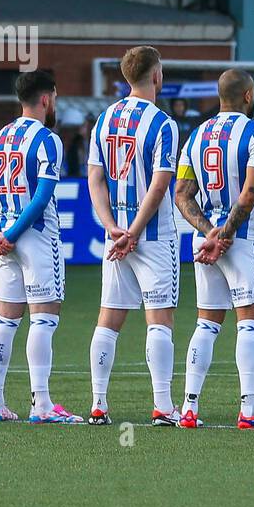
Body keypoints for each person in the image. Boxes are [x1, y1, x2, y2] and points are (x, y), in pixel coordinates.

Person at [173, 68, 254, 430]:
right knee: (249, 323)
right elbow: (250, 193)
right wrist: (226, 234)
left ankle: (188, 408)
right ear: (248, 96)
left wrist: (209, 233)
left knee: (206, 323)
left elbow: (182, 195)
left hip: (203, 240)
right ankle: (250, 409)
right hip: (240, 238)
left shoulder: (195, 136)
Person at [85, 46, 181, 426]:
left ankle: (98, 404)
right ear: (156, 75)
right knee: (159, 320)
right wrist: (136, 231)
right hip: (152, 235)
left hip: (116, 234)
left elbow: (95, 177)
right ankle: (162, 406)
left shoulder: (104, 119)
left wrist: (112, 227)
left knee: (109, 318)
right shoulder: (162, 123)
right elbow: (159, 186)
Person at [0, 69, 79, 423]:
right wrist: (13, 233)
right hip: (34, 237)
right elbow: (41, 197)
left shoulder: (1, 137)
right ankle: (42, 404)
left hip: (4, 238)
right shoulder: (48, 139)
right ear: (46, 98)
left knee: (6, 320)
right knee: (44, 319)